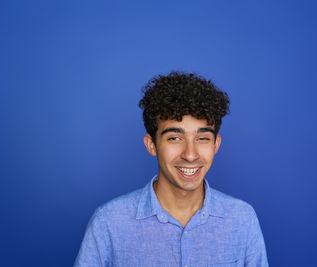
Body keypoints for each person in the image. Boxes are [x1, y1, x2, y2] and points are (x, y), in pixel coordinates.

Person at [74, 71, 268, 267]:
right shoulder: (108, 223)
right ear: (151, 144)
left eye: (202, 138)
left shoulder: (242, 219)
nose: (190, 155)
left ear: (216, 145)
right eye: (175, 138)